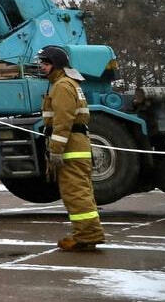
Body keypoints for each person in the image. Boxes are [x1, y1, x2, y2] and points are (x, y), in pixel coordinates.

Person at [38, 45, 104, 252]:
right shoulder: (66, 83)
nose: (41, 67)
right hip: (75, 145)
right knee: (80, 191)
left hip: (70, 148)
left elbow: (63, 121)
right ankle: (87, 233)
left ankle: (87, 235)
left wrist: (56, 149)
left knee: (75, 192)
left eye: (46, 63)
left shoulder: (62, 86)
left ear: (56, 65)